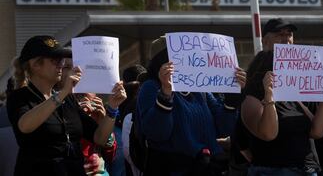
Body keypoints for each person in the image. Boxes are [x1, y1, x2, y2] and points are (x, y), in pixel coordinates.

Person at [7, 35, 126, 176]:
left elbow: (99, 138)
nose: (61, 64)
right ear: (35, 65)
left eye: (62, 60)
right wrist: (62, 93)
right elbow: (25, 126)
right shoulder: (19, 97)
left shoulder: (67, 98)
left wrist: (112, 108)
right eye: (55, 60)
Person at [137, 36, 246, 175]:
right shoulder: (151, 87)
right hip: (174, 169)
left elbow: (224, 128)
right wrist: (165, 94)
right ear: (162, 61)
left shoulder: (199, 89)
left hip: (208, 168)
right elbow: (157, 134)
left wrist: (232, 100)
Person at [240, 19, 323, 176]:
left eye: (289, 34)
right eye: (279, 34)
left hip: (308, 170)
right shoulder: (254, 91)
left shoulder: (295, 90)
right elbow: (268, 134)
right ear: (265, 41)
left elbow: (317, 132)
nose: (286, 39)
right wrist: (269, 97)